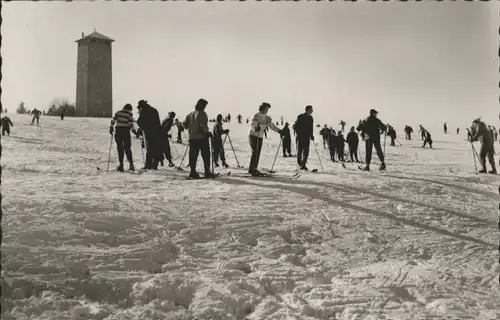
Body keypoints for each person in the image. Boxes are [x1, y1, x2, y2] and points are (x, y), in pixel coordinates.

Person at [183, 99, 215, 179]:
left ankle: (192, 172)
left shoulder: (190, 114)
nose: (205, 107)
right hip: (202, 138)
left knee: (193, 156)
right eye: (204, 105)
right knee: (206, 155)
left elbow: (185, 125)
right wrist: (207, 133)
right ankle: (207, 171)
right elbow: (203, 125)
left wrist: (192, 128)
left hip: (192, 138)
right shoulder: (203, 114)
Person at [248, 102, 282, 176]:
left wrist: (280, 131)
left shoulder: (267, 117)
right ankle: (252, 169)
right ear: (262, 108)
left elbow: (272, 126)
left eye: (268, 109)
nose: (267, 110)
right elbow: (252, 124)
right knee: (255, 152)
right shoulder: (257, 115)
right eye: (266, 108)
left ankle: (254, 169)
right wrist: (255, 128)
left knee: (257, 153)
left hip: (260, 137)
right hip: (253, 135)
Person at [109, 104, 139, 172]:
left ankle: (121, 165)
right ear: (129, 109)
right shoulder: (129, 114)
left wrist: (111, 128)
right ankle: (131, 165)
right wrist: (136, 133)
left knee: (120, 148)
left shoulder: (118, 112)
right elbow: (131, 125)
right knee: (127, 148)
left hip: (118, 131)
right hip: (125, 132)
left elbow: (113, 121)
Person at [136, 100, 163, 170]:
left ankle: (148, 165)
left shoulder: (144, 111)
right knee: (156, 148)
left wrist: (142, 127)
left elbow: (139, 122)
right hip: (157, 131)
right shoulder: (154, 110)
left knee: (150, 149)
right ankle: (155, 165)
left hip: (149, 132)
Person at [294, 105, 315, 171]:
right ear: (307, 110)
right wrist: (299, 133)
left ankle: (303, 164)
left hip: (307, 137)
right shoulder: (301, 116)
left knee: (306, 152)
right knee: (299, 151)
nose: (312, 111)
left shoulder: (311, 118)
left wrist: (311, 135)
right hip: (300, 137)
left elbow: (311, 128)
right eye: (311, 109)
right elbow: (295, 126)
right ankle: (300, 164)